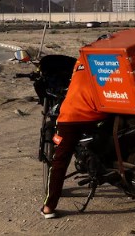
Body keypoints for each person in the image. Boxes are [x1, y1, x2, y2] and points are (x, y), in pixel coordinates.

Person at [41, 50, 107, 219]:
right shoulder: (111, 63)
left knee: (60, 160)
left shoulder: (80, 62)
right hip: (102, 115)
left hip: (72, 117)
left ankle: (49, 207)